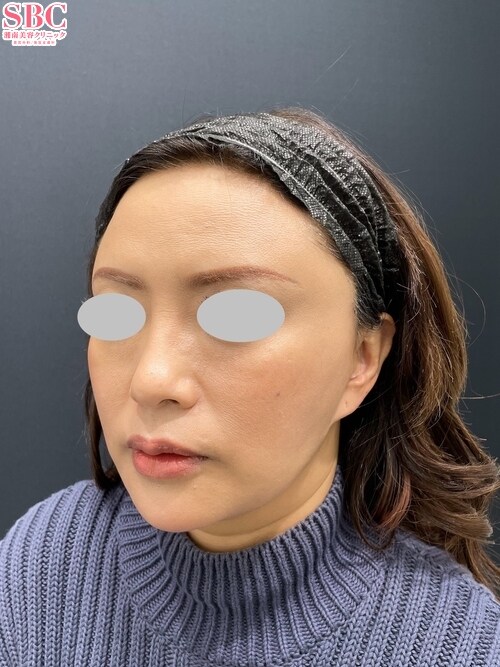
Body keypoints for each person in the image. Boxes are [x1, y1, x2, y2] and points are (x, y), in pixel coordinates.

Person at [1, 107, 499, 666]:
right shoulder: (41, 562)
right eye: (116, 314)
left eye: (235, 316)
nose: (151, 380)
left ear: (362, 358)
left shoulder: (455, 644)